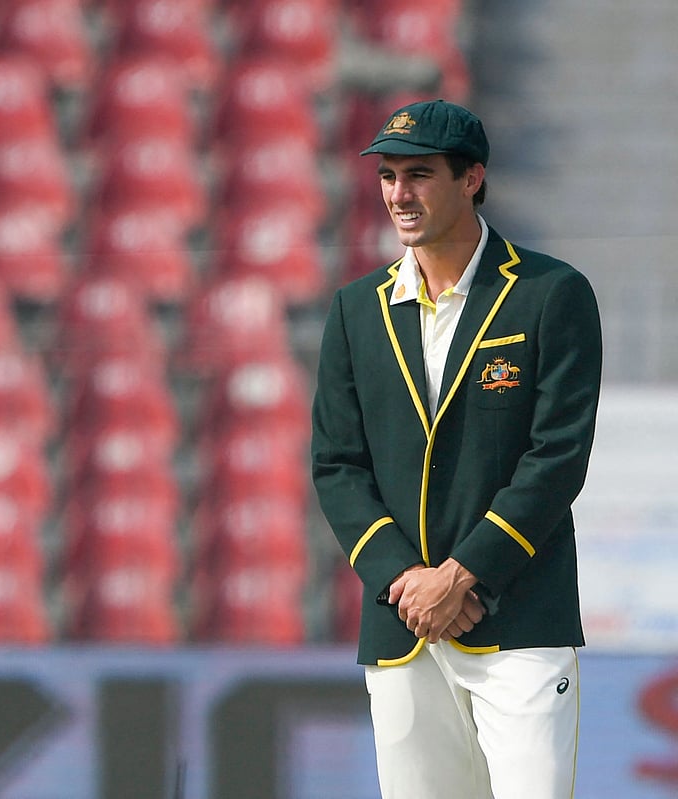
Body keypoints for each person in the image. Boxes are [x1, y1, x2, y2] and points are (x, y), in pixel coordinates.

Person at [310, 99, 602, 799]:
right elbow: (337, 464)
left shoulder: (551, 293)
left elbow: (557, 457)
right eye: (388, 175)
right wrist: (409, 581)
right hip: (403, 622)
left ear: (472, 178)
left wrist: (463, 576)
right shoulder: (356, 309)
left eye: (419, 174)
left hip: (520, 621)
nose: (399, 194)